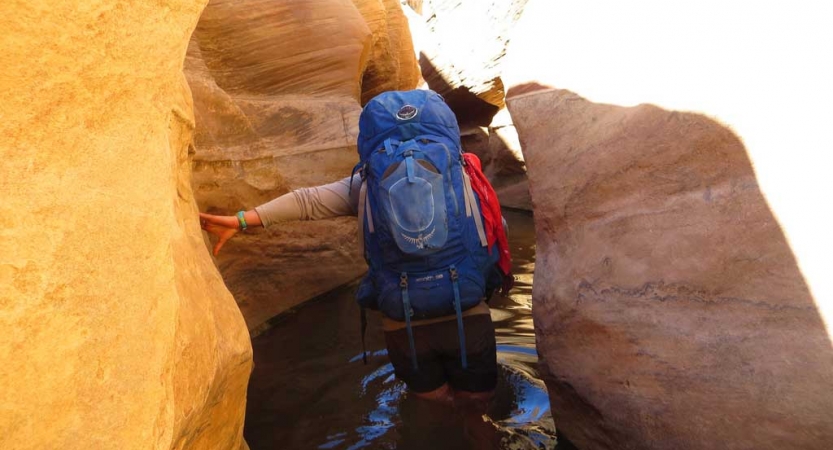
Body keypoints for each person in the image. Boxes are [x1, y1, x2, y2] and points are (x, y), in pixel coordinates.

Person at [199, 175, 499, 406]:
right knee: (477, 411)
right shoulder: (462, 174)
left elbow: (307, 202)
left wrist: (240, 221)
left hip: (404, 323)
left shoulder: (370, 182)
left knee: (432, 412)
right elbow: (496, 234)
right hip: (467, 315)